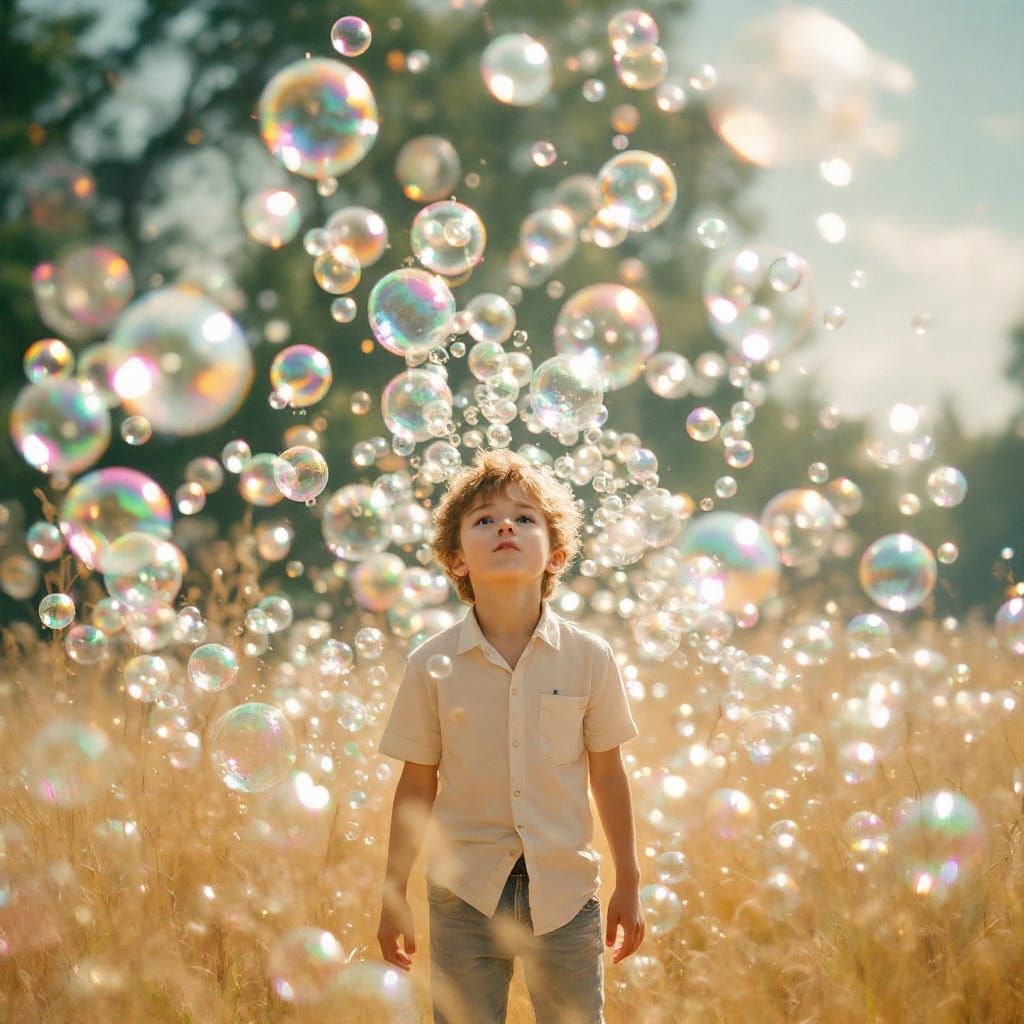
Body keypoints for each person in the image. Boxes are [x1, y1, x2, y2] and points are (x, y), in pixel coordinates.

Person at [376, 448, 644, 1024]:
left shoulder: (589, 657)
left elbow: (608, 774)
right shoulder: (432, 663)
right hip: (463, 894)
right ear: (456, 559)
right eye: (484, 519)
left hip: (567, 893)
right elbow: (416, 784)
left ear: (557, 554)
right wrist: (393, 891)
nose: (506, 526)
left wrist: (629, 880)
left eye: (525, 519)